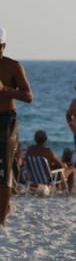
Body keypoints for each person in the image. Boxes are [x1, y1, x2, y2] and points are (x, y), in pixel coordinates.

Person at [0, 27, 34, 226]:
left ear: (3, 46)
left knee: (4, 172)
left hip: (6, 121)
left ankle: (2, 219)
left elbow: (29, 96)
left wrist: (5, 89)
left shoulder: (13, 66)